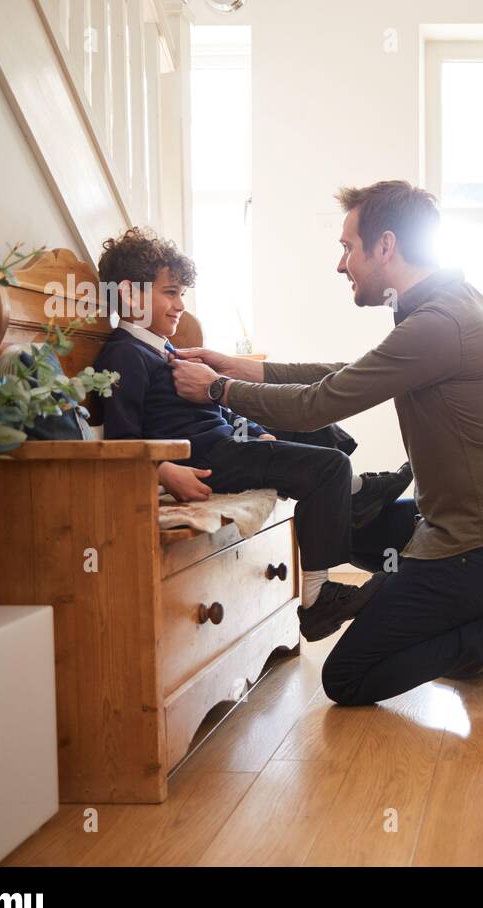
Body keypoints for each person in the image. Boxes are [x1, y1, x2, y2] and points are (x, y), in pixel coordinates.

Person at [170, 180, 483, 706]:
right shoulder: (441, 305)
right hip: (461, 524)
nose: (340, 264)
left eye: (348, 247)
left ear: (386, 246)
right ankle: (468, 629)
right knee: (345, 519)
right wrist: (241, 367)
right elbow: (350, 373)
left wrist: (218, 389)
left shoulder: (441, 322)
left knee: (346, 678)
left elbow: (321, 402)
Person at [94, 227, 411, 640]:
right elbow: (122, 438)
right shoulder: (123, 354)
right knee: (327, 468)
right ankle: (319, 597)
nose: (180, 305)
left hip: (225, 439)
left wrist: (259, 432)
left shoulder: (164, 349)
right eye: (170, 293)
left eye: (181, 293)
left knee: (298, 415)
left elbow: (218, 404)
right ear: (131, 295)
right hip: (207, 457)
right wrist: (165, 471)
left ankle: (357, 492)